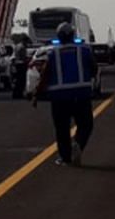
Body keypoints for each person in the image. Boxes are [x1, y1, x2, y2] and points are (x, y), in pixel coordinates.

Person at [32, 22, 98, 166]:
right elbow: (94, 69)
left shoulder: (52, 53)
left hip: (59, 97)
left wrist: (36, 95)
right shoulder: (85, 50)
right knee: (86, 124)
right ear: (73, 35)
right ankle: (79, 144)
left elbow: (45, 75)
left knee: (62, 129)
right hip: (81, 95)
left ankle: (66, 158)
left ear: (59, 37)